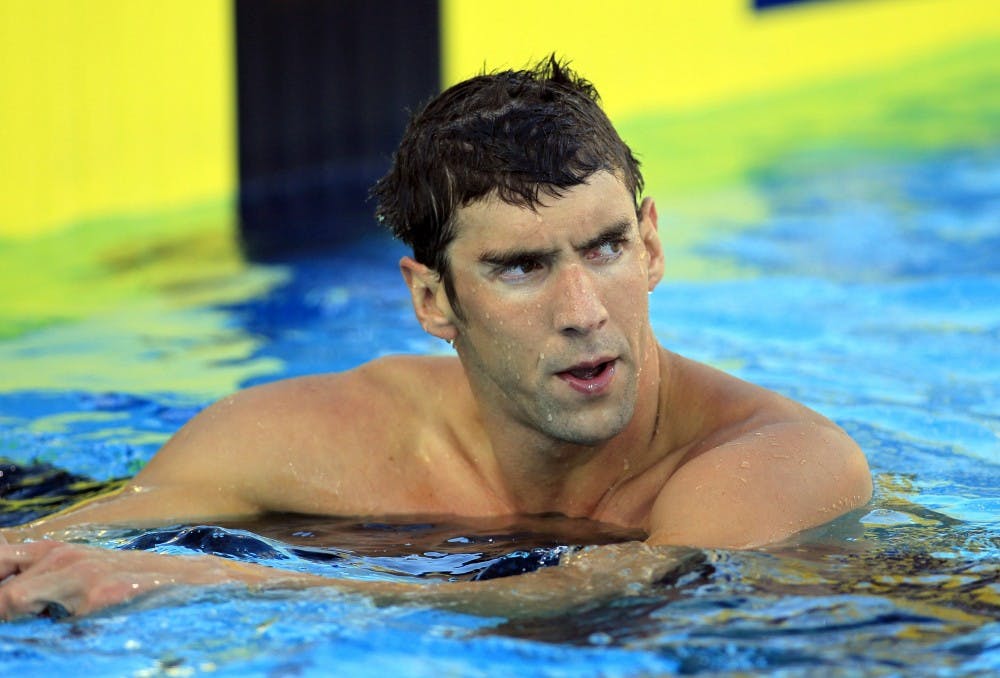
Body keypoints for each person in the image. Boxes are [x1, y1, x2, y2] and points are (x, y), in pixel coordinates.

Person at [0, 57, 872, 620]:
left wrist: (206, 578)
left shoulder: (781, 465)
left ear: (650, 244)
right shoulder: (302, 439)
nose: (582, 309)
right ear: (431, 299)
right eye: (522, 267)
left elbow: (591, 600)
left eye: (605, 248)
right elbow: (70, 548)